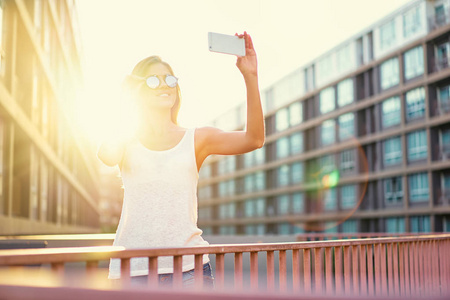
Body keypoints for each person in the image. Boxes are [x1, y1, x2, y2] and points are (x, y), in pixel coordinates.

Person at [98, 31, 265, 289]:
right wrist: (126, 100)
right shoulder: (126, 141)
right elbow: (106, 155)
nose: (165, 85)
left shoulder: (196, 139)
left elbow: (254, 139)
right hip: (132, 270)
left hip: (189, 271)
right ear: (138, 89)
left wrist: (250, 76)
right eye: (154, 80)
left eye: (170, 79)